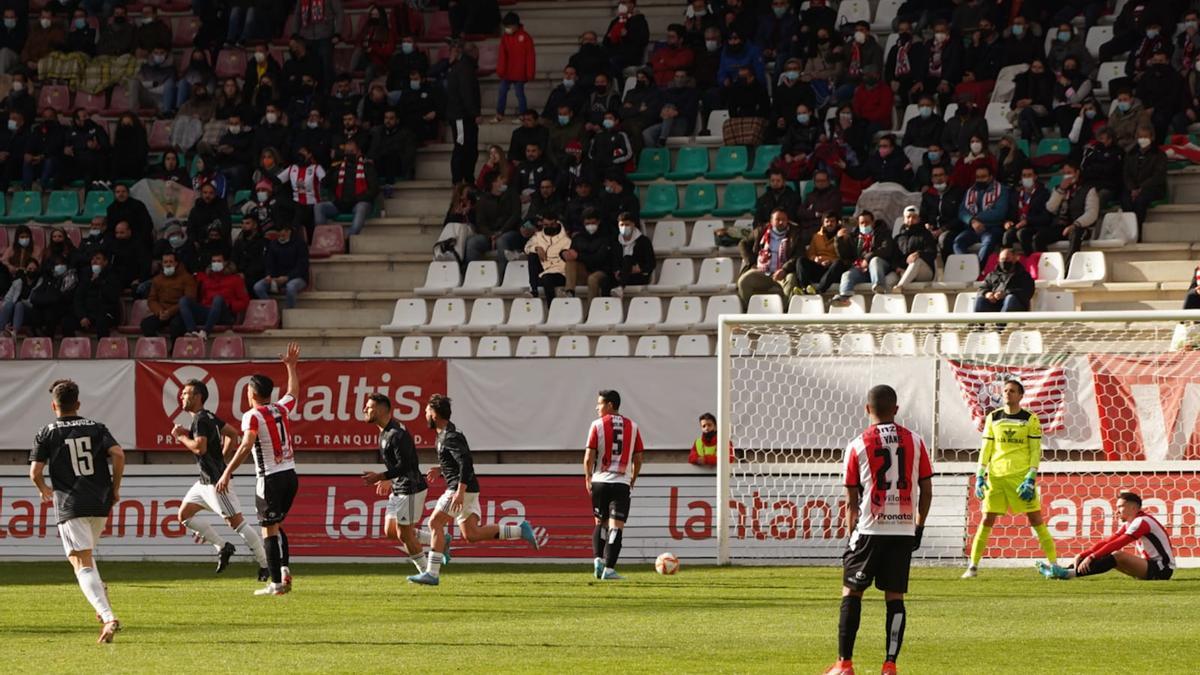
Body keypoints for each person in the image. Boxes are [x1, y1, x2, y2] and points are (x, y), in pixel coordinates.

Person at [823, 384, 932, 675]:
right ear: (896, 409)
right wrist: (918, 527)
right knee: (895, 597)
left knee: (851, 592)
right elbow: (926, 488)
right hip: (903, 530)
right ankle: (889, 665)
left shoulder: (857, 444)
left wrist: (851, 538)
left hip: (870, 529)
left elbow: (851, 500)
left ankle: (844, 664)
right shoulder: (917, 441)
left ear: (866, 409)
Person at [408, 394, 541, 586]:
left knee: (435, 523)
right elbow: (456, 463)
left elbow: (466, 464)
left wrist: (460, 492)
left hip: (461, 489)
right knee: (472, 534)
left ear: (435, 414)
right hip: (468, 488)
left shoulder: (450, 437)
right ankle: (520, 530)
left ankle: (432, 573)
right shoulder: (444, 435)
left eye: (427, 411)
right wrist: (441, 469)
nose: (424, 414)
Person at [30, 379, 125, 643]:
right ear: (78, 404)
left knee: (80, 564)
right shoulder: (96, 427)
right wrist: (115, 488)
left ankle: (107, 616)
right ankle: (100, 593)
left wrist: (42, 488)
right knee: (84, 558)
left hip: (71, 504)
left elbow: (34, 472)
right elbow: (118, 454)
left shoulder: (47, 432)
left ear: (53, 406)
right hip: (100, 502)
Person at [216, 342, 302, 596]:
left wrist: (227, 471)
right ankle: (284, 570)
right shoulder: (280, 408)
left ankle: (275, 583)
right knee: (276, 524)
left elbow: (245, 446)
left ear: (251, 394)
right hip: (291, 475)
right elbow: (294, 392)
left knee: (269, 528)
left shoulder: (251, 416)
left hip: (270, 478)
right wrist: (291, 367)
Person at [171, 379, 268, 580]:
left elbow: (200, 447)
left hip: (216, 484)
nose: (182, 396)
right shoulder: (209, 417)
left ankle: (265, 564)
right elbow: (232, 434)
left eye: (186, 393)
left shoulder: (200, 419)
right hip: (204, 482)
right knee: (184, 515)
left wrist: (180, 437)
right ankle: (223, 547)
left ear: (198, 397)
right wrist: (222, 459)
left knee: (237, 523)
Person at [961, 378, 1058, 578]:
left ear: (1021, 396)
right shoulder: (993, 418)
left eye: (1013, 391)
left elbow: (1034, 450)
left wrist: (1031, 476)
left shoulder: (1030, 419)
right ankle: (972, 566)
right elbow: (986, 449)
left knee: (1036, 519)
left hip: (1020, 478)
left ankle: (1055, 563)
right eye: (1005, 390)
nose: (1007, 393)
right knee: (987, 519)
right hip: (996, 477)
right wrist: (980, 476)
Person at [359, 393, 443, 578]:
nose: (365, 409)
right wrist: (389, 478)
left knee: (404, 534)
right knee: (390, 530)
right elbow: (398, 464)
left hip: (410, 489)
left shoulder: (397, 434)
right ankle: (437, 540)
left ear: (382, 410)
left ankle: (428, 574)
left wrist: (382, 476)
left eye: (369, 406)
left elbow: (405, 465)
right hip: (398, 486)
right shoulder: (385, 432)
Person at [1038, 491, 1175, 581]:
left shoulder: (1142, 522)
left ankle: (1068, 574)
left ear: (1133, 508)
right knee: (1107, 553)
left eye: (1120, 506)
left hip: (1162, 569)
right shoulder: (1131, 523)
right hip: (1150, 566)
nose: (1117, 510)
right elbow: (1108, 541)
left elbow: (1119, 543)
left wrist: (1092, 556)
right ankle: (1062, 571)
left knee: (1117, 554)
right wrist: (1084, 554)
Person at [585, 389, 645, 580]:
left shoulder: (596, 425)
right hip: (621, 483)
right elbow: (639, 458)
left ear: (610, 405)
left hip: (600, 482)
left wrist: (588, 478)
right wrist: (633, 478)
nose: (597, 407)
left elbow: (589, 457)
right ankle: (609, 569)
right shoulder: (633, 426)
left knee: (599, 523)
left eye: (600, 403)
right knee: (616, 527)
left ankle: (597, 560)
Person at [181, 252, 249, 341]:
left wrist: (230, 305)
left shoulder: (236, 279)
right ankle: (192, 331)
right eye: (214, 261)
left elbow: (244, 301)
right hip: (208, 311)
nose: (216, 263)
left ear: (225, 263)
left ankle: (205, 332)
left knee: (218, 299)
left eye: (219, 261)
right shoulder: (206, 279)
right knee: (184, 300)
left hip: (225, 313)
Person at [736, 209, 800, 302]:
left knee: (791, 280)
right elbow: (742, 243)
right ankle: (751, 310)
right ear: (771, 221)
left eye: (784, 219)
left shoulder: (795, 233)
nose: (781, 222)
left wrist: (784, 269)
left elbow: (798, 254)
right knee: (743, 281)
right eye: (778, 219)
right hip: (762, 272)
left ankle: (784, 312)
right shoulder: (760, 231)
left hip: (783, 273)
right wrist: (751, 262)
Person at [833, 211, 896, 305]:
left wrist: (868, 258)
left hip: (881, 267)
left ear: (873, 222)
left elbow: (886, 250)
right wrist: (840, 240)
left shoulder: (883, 232)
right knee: (847, 275)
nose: (864, 225)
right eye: (862, 223)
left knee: (875, 261)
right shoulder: (855, 237)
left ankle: (879, 287)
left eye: (867, 222)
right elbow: (845, 256)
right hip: (862, 269)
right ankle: (844, 297)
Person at [956, 165, 1010, 266]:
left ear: (991, 177)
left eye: (983, 176)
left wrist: (975, 218)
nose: (980, 180)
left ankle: (977, 270)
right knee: (957, 243)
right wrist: (972, 221)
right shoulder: (970, 191)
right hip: (972, 228)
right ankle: (969, 267)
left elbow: (999, 213)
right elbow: (962, 212)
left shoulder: (1001, 190)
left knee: (988, 242)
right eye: (978, 177)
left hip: (992, 227)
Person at [1045, 161, 1100, 259]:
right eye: (1065, 174)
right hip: (1061, 227)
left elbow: (1092, 213)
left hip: (1080, 227)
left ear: (1077, 173)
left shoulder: (1089, 190)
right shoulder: (1059, 189)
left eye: (1069, 173)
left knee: (1075, 234)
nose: (1067, 176)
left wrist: (1076, 224)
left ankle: (1068, 270)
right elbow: (1050, 207)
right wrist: (1061, 190)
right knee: (1039, 237)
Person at [447, 41, 482, 185]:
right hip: (461, 117)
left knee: (468, 148)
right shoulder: (465, 69)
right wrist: (475, 113)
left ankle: (466, 177)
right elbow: (467, 94)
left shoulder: (462, 67)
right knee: (462, 147)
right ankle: (459, 179)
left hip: (462, 115)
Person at [140, 251, 196, 340]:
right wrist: (159, 312)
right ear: (162, 264)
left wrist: (170, 312)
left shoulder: (187, 278)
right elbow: (152, 299)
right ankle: (159, 349)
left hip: (179, 313)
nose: (168, 264)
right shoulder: (157, 279)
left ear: (176, 263)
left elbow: (189, 299)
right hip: (162, 313)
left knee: (176, 326)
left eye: (171, 262)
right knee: (146, 324)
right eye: (165, 262)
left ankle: (174, 350)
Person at [253, 222, 309, 309]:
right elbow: (269, 263)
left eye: (284, 232)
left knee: (290, 287)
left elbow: (302, 266)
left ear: (289, 231)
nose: (281, 234)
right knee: (258, 287)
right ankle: (272, 310)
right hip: (277, 277)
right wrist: (269, 275)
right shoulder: (273, 244)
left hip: (298, 277)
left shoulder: (300, 244)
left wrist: (287, 277)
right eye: (279, 232)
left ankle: (290, 313)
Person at [1121, 125, 1167, 226]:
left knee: (1140, 201)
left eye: (1146, 136)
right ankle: (1129, 229)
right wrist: (1132, 188)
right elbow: (1126, 174)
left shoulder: (1159, 155)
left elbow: (1158, 175)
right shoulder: (1130, 154)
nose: (1143, 139)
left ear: (1152, 137)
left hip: (1153, 188)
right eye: (1140, 137)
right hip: (1133, 188)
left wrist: (1142, 188)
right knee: (1125, 201)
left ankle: (1138, 229)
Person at [495, 12, 535, 122]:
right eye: (506, 26)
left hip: (520, 72)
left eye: (509, 26)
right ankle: (499, 114)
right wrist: (500, 70)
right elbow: (502, 56)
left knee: (519, 94)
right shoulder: (505, 38)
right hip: (507, 72)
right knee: (502, 91)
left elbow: (530, 56)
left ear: (516, 25)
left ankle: (522, 115)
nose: (507, 29)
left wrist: (530, 73)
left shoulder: (526, 37)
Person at [524, 212, 571, 301]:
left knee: (547, 279)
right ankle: (534, 290)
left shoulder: (566, 238)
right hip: (544, 271)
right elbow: (527, 248)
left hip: (561, 273)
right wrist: (537, 248)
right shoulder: (539, 236)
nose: (549, 227)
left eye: (552, 224)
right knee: (532, 255)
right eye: (546, 225)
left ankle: (551, 307)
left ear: (557, 223)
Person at [973, 247, 1034, 313]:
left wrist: (1006, 293)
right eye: (1002, 259)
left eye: (1007, 259)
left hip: (1015, 305)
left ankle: (1001, 321)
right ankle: (977, 321)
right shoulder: (992, 275)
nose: (1004, 262)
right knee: (980, 300)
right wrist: (987, 293)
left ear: (1015, 259)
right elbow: (982, 288)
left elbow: (1027, 292)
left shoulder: (1024, 275)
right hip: (994, 304)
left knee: (1010, 298)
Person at [892, 206, 937, 293]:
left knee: (916, 260)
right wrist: (897, 267)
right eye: (908, 217)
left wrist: (918, 254)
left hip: (924, 272)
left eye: (914, 217)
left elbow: (932, 253)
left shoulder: (926, 234)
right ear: (904, 219)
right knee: (888, 280)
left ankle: (900, 287)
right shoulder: (898, 238)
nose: (911, 219)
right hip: (903, 271)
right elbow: (893, 257)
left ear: (919, 219)